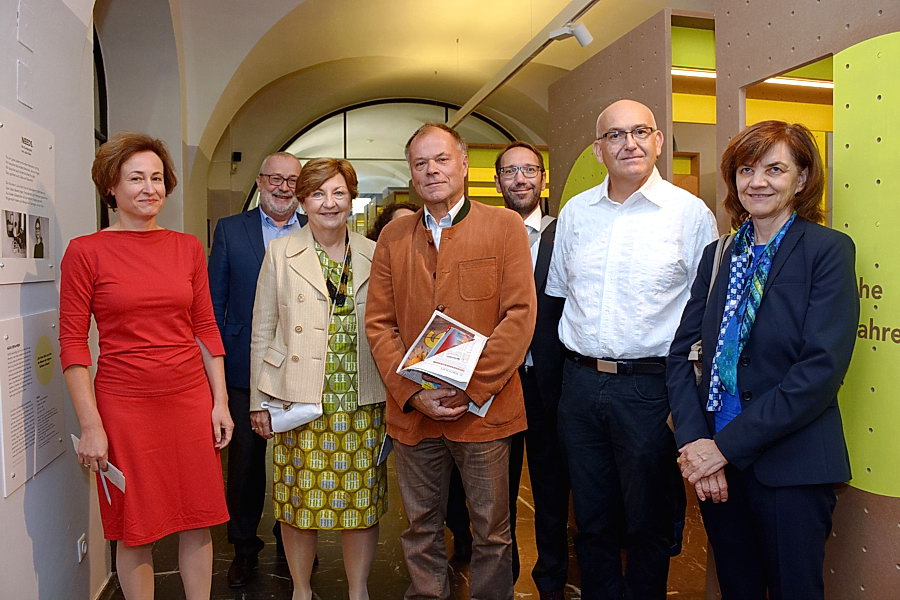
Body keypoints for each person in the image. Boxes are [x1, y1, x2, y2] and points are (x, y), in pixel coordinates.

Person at [667, 120, 859, 600]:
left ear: (802, 178)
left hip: (790, 467)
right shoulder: (719, 254)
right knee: (738, 588)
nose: (758, 182)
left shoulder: (827, 251)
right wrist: (696, 443)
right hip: (717, 468)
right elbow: (682, 354)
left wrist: (724, 447)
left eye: (775, 169)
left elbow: (818, 372)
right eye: (746, 170)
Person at [546, 99, 717, 599]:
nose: (629, 144)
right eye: (615, 135)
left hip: (651, 390)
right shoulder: (576, 214)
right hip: (580, 386)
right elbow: (560, 295)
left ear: (658, 141)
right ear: (599, 150)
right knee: (591, 519)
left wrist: (688, 401)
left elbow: (705, 314)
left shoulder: (690, 215)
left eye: (640, 131)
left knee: (649, 523)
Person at [366, 123, 537, 600]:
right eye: (420, 163)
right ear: (411, 173)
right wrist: (412, 393)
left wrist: (471, 386)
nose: (432, 170)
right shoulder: (394, 236)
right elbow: (380, 324)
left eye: (441, 159)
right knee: (419, 527)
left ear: (463, 164)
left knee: (492, 530)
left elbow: (519, 316)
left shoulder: (504, 227)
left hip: (484, 411)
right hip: (415, 414)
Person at [60, 133, 232, 600]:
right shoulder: (85, 251)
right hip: (124, 406)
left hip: (189, 399)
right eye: (136, 178)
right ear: (111, 187)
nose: (149, 188)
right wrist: (90, 425)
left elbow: (205, 327)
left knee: (198, 518)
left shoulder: (187, 247)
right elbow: (72, 344)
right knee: (135, 527)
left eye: (157, 178)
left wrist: (219, 402)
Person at [249, 158, 386, 600]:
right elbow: (262, 329)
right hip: (299, 397)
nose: (329, 203)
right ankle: (302, 590)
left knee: (361, 503)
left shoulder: (373, 252)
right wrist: (258, 402)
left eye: (339, 193)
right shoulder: (280, 252)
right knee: (298, 503)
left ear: (351, 198)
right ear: (303, 201)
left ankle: (359, 591)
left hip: (361, 398)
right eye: (318, 194)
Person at [208, 151, 307, 587]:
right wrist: (216, 369)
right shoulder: (231, 230)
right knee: (246, 464)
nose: (283, 188)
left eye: (292, 181)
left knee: (298, 460)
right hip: (244, 366)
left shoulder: (314, 229)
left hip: (300, 367)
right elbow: (214, 302)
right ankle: (244, 548)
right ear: (260, 181)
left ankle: (293, 544)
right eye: (275, 179)